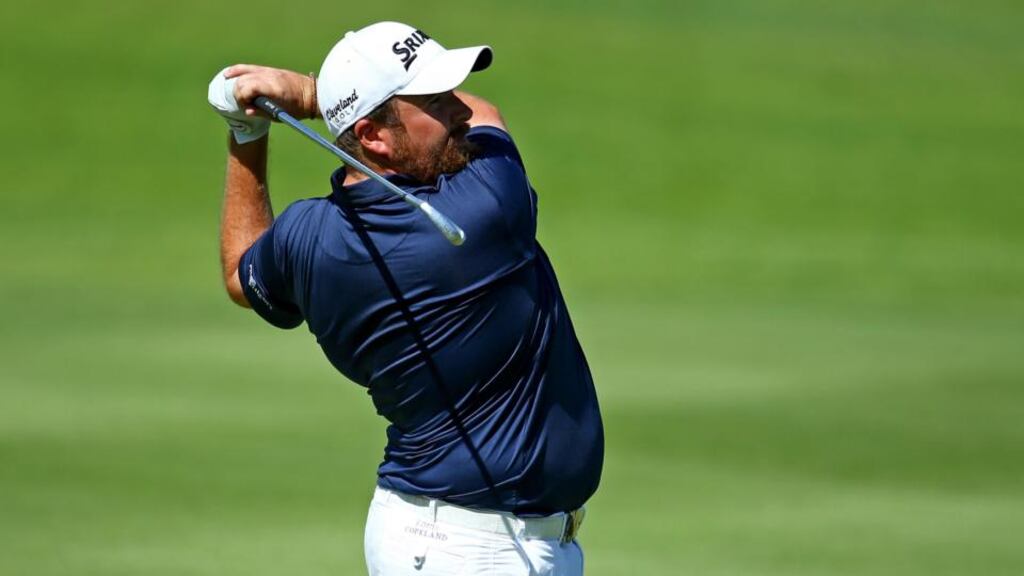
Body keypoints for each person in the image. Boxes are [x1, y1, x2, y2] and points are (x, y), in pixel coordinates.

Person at [207, 21, 603, 576]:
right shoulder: (485, 209)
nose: (459, 113)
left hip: (437, 536)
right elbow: (489, 113)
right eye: (437, 102)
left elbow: (240, 276)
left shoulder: (305, 237)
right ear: (373, 136)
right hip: (473, 549)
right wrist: (314, 94)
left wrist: (245, 135)